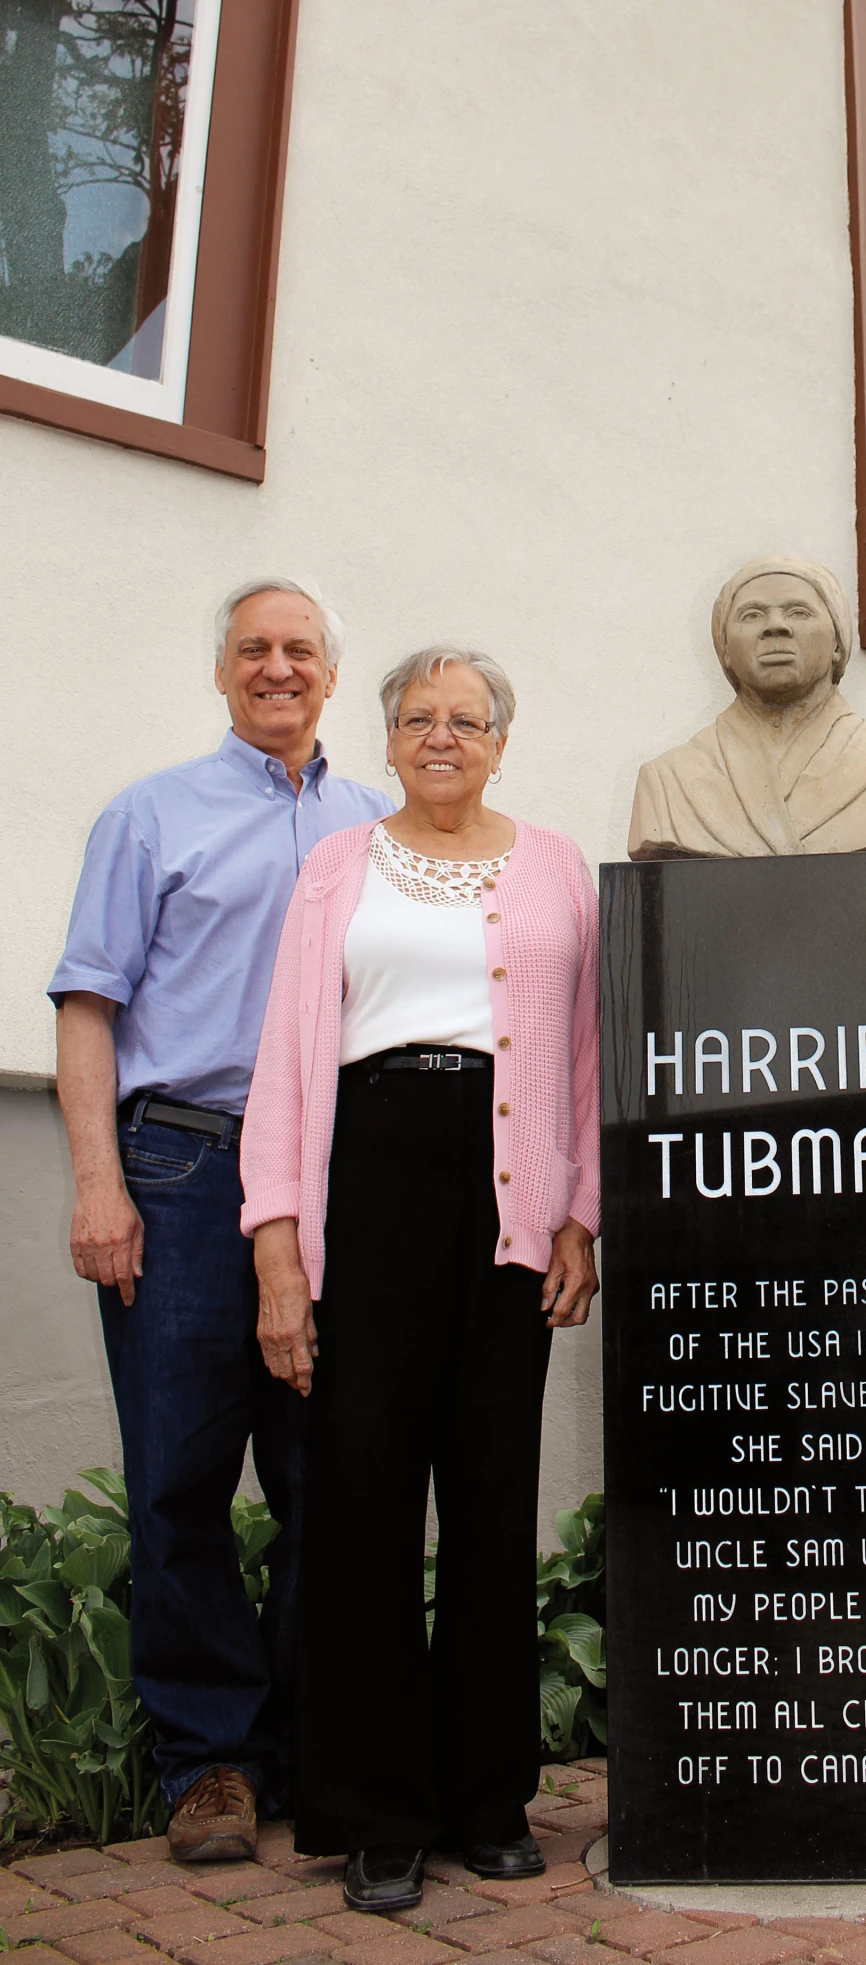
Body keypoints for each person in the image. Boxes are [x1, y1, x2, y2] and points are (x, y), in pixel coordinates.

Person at [241, 645, 600, 1914]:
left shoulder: (556, 865)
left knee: (495, 1496)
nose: (443, 737)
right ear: (387, 741)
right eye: (417, 719)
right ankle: (378, 1813)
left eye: (468, 720)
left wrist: (581, 1214)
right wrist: (277, 1243)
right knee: (364, 1498)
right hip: (372, 1184)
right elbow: (285, 1060)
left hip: (509, 1197)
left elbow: (587, 1056)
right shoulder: (334, 866)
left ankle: (489, 1799)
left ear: (502, 741)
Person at [49, 578, 391, 1861]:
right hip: (184, 1169)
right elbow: (87, 1005)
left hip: (339, 1184)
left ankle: (310, 1751)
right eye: (253, 648)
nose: (277, 666)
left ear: (332, 676)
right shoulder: (150, 816)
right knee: (179, 1484)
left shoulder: (381, 829)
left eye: (300, 648)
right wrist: (98, 1182)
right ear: (221, 672)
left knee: (332, 1477)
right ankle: (211, 1767)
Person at [628, 554, 866, 858]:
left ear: (838, 643)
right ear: (725, 649)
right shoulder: (667, 783)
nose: (775, 626)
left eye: (799, 612)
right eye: (752, 615)